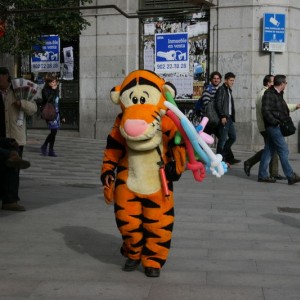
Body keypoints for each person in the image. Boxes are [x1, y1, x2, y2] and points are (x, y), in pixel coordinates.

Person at [101, 70, 186, 278]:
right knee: (126, 221)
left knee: (158, 222)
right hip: (126, 178)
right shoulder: (121, 119)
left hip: (159, 179)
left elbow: (179, 143)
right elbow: (113, 146)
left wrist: (177, 167)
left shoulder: (166, 119)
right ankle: (133, 252)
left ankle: (153, 259)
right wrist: (107, 169)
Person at [244, 74, 300, 178]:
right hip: (272, 127)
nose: (286, 85)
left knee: (269, 150)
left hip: (274, 126)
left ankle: (262, 175)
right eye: (285, 83)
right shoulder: (267, 94)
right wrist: (275, 122)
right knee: (283, 150)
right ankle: (290, 175)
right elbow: (265, 111)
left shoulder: (278, 94)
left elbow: (281, 108)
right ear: (282, 83)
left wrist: (295, 107)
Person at [0, 67, 37, 211]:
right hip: (1, 136)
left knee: (14, 171)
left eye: (1, 77)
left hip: (15, 136)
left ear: (7, 77)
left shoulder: (18, 91)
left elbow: (33, 109)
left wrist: (22, 103)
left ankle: (11, 200)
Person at [214, 72, 241, 165]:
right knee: (222, 139)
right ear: (226, 80)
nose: (232, 82)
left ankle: (223, 154)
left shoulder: (229, 90)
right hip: (224, 117)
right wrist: (222, 116)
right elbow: (218, 104)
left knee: (233, 137)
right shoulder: (221, 90)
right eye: (231, 80)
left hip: (229, 118)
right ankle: (219, 159)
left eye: (233, 80)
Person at [40, 73, 65, 157]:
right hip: (49, 113)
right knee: (53, 131)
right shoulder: (45, 90)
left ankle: (48, 148)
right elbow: (48, 100)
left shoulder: (56, 89)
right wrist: (54, 90)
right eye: (53, 82)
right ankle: (48, 148)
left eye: (55, 82)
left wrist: (62, 116)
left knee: (54, 132)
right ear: (48, 83)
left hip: (56, 113)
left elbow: (58, 103)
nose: (54, 83)